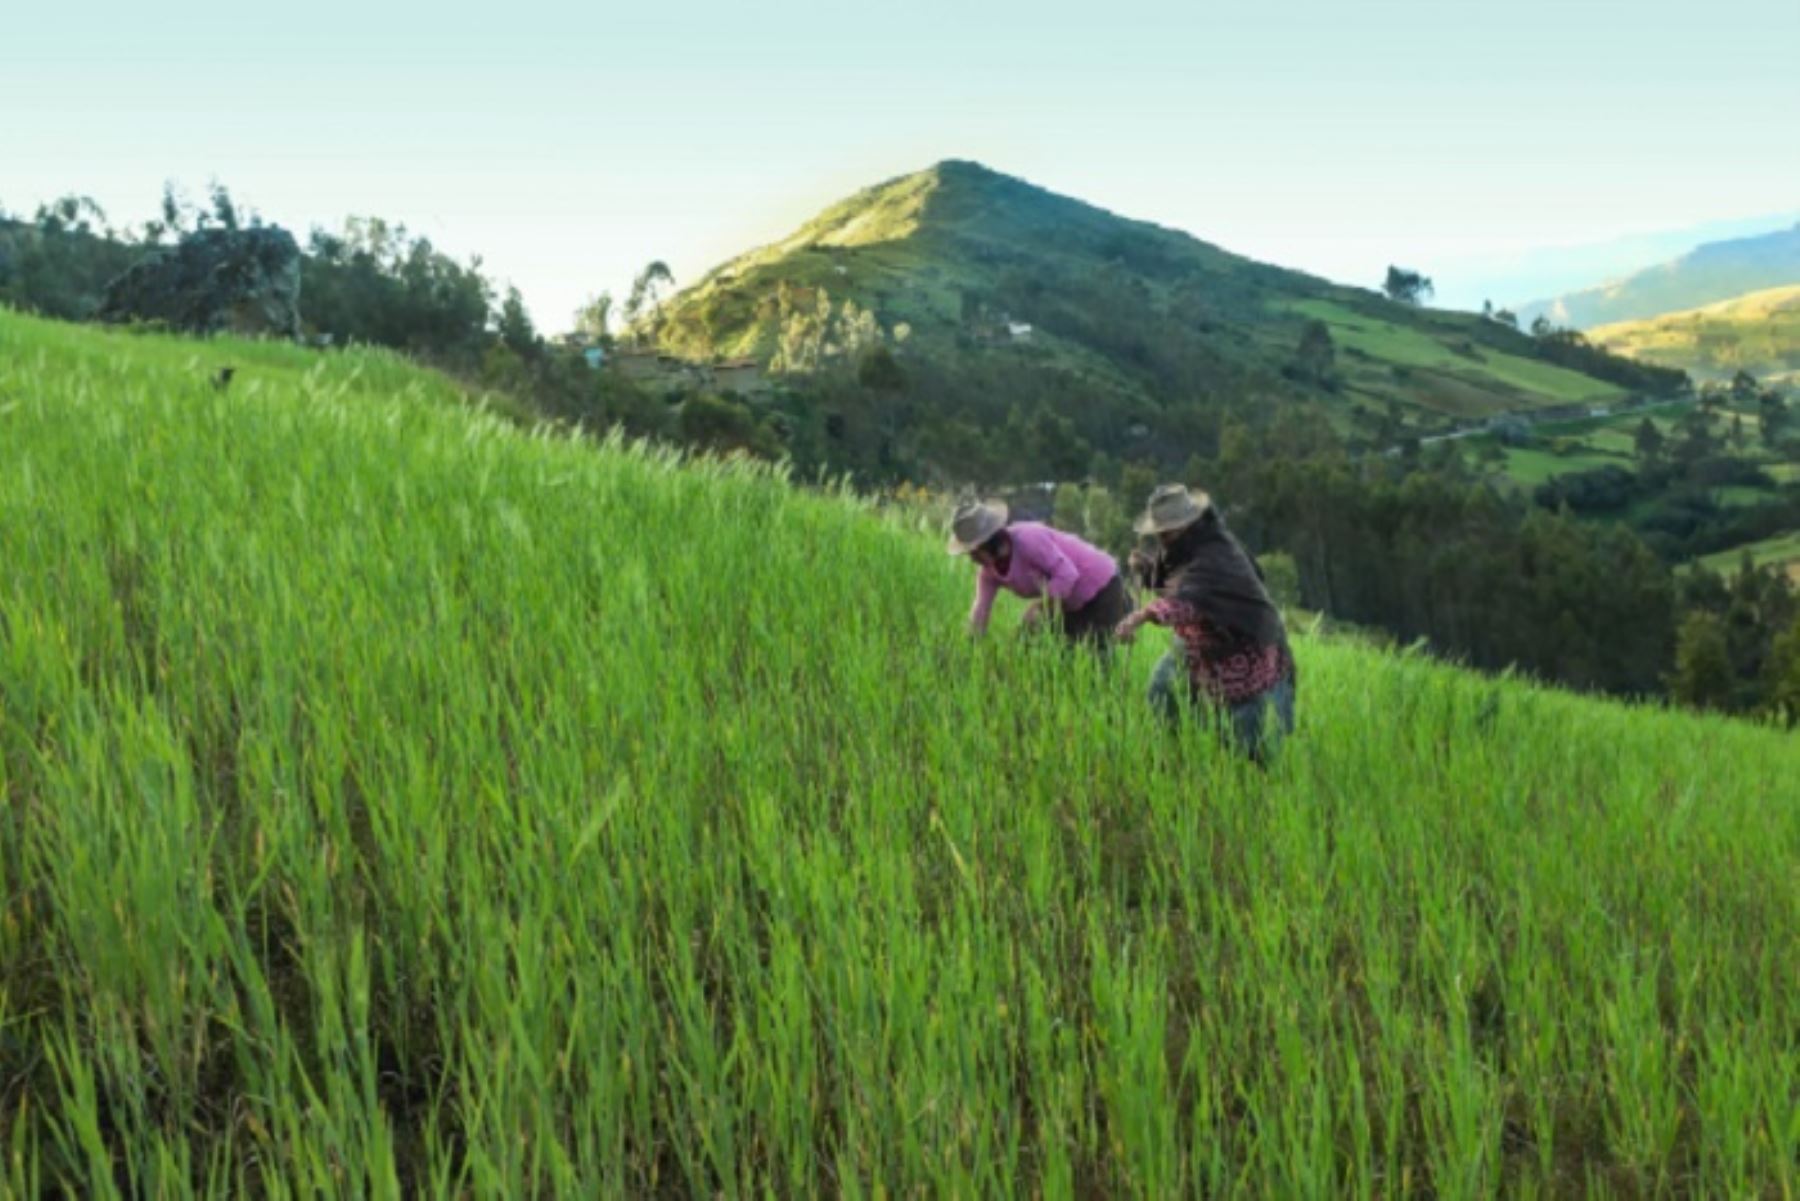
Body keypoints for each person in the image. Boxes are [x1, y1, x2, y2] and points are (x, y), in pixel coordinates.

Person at [1115, 484, 1297, 763]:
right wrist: (1147, 569)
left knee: (1246, 736)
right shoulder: (1179, 548)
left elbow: (1189, 598)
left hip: (1245, 643)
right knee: (1163, 689)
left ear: (1188, 524)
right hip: (1199, 638)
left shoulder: (1219, 555)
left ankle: (1255, 782)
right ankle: (1175, 757)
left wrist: (1141, 616)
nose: (1162, 537)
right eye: (1160, 531)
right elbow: (1176, 583)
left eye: (1168, 530)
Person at [946, 499, 1132, 648]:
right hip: (1066, 600)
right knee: (1032, 645)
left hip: (1101, 585)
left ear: (988, 542)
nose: (971, 558)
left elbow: (1067, 575)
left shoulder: (1029, 539)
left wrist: (1040, 607)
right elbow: (981, 609)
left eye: (973, 551)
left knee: (1095, 655)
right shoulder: (988, 573)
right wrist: (971, 645)